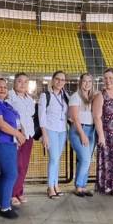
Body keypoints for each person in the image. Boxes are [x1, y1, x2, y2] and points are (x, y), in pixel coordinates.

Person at [0, 77, 27, 219]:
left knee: (6, 174)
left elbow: (17, 122)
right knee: (11, 174)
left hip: (10, 142)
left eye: (4, 87)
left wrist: (21, 133)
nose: (2, 89)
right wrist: (17, 134)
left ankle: (3, 203)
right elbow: (0, 123)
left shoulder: (6, 104)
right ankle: (5, 207)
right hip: (0, 143)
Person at [38, 69, 69, 198]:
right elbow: (41, 116)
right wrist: (44, 134)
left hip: (62, 130)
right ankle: (50, 186)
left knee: (57, 159)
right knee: (54, 158)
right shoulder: (45, 95)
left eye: (62, 80)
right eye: (57, 79)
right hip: (50, 129)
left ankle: (56, 184)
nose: (59, 82)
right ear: (52, 80)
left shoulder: (65, 95)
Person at [7, 73, 36, 206]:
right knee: (16, 166)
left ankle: (19, 192)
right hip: (15, 136)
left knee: (24, 166)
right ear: (14, 83)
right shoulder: (9, 97)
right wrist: (18, 132)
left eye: (25, 82)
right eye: (19, 81)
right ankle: (12, 193)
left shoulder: (29, 99)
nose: (22, 84)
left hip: (29, 136)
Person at [68, 72, 96, 197]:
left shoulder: (93, 96)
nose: (87, 84)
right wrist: (82, 134)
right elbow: (74, 117)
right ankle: (79, 185)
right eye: (85, 81)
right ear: (80, 82)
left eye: (89, 81)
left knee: (86, 160)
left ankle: (82, 186)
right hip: (79, 130)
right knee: (85, 159)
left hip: (92, 130)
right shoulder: (75, 96)